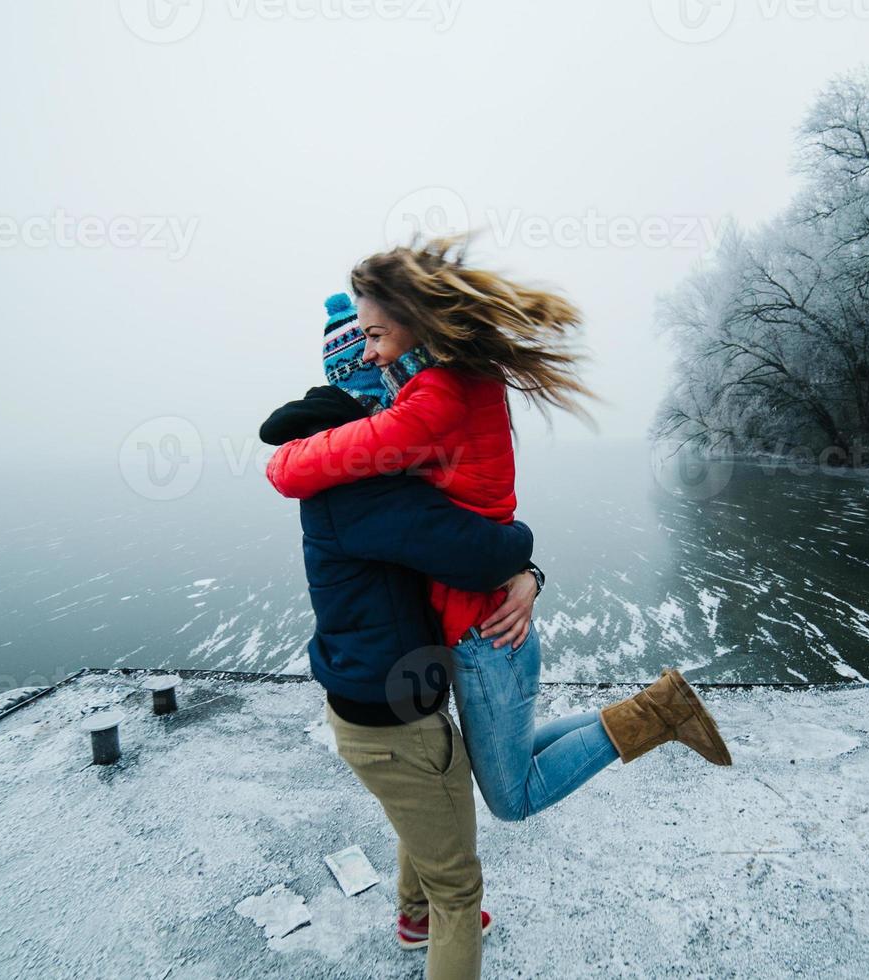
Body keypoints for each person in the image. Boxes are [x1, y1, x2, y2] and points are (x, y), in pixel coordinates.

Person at [266, 242, 732, 834]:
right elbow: (464, 513)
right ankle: (654, 707)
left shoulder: (435, 397)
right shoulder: (447, 387)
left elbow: (300, 470)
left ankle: (659, 713)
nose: (372, 352)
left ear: (417, 321)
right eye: (363, 340)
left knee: (515, 798)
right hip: (483, 621)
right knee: (519, 751)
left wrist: (281, 459)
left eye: (378, 336)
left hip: (480, 632)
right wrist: (526, 570)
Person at [260, 298, 535, 979]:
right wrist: (525, 560)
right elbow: (475, 551)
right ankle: (434, 921)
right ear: (369, 393)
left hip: (380, 697)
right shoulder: (365, 487)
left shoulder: (348, 472)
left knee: (428, 813)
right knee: (460, 890)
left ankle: (414, 922)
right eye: (388, 382)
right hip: (392, 718)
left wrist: (522, 569)